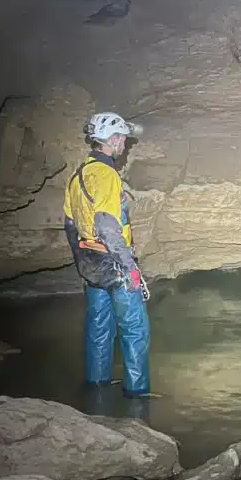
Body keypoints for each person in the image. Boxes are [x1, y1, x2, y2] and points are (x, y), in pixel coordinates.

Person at [63, 111, 151, 397]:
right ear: (112, 140)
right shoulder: (107, 174)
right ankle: (137, 396)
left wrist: (83, 260)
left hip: (90, 263)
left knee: (99, 327)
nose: (123, 144)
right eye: (122, 139)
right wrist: (130, 267)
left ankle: (96, 388)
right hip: (114, 264)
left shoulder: (78, 176)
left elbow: (69, 224)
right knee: (134, 330)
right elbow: (106, 224)